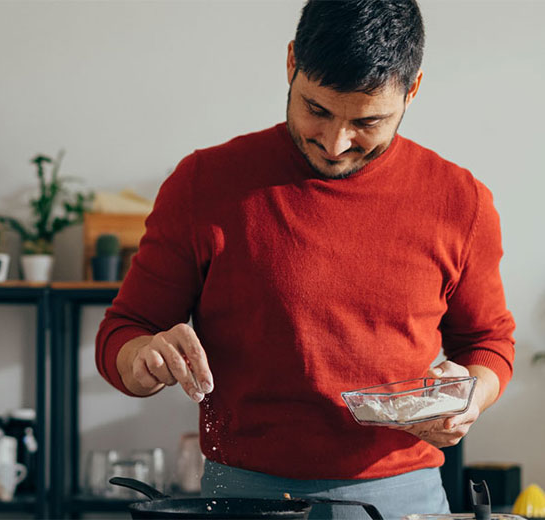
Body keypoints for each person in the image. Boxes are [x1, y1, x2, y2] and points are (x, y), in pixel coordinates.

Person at [95, 0, 515, 518]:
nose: (336, 143)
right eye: (317, 110)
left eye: (367, 121)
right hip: (242, 497)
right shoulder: (204, 184)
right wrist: (144, 360)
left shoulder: (460, 200)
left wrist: (471, 396)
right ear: (291, 62)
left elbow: (488, 343)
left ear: (413, 90)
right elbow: (125, 329)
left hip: (404, 495)